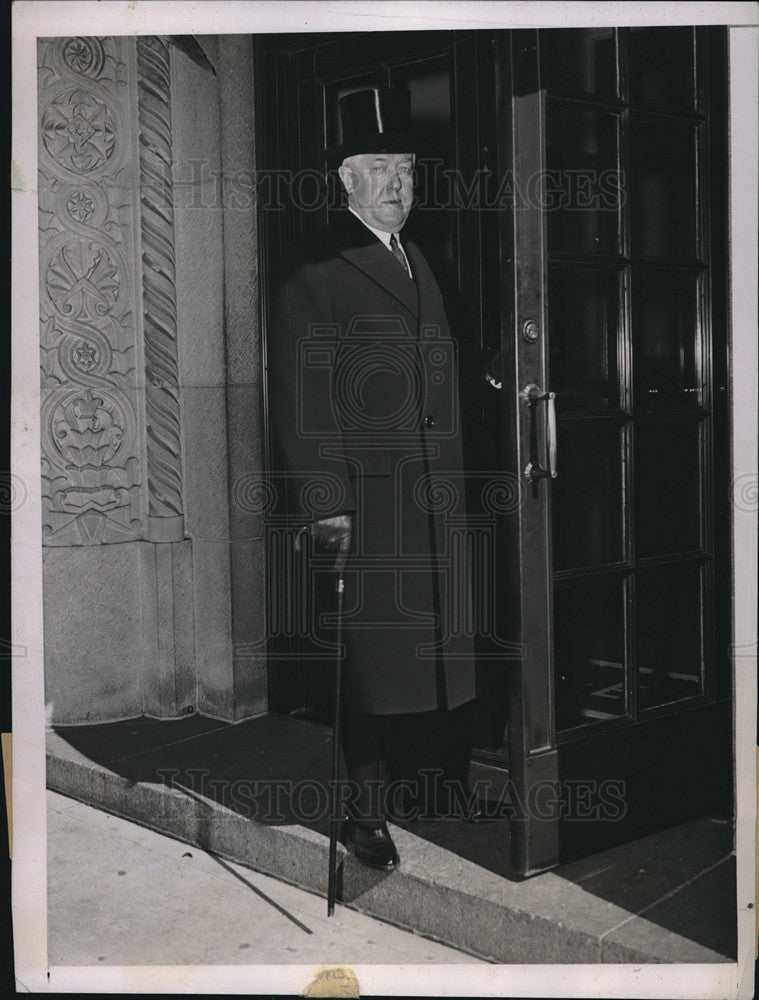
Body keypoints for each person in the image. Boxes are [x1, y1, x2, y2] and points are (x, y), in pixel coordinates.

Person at [267, 88, 479, 871]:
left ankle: (433, 789)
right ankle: (364, 815)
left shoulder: (419, 256)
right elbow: (301, 397)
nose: (399, 183)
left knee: (437, 650)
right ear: (346, 181)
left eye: (407, 169)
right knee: (374, 667)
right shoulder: (314, 267)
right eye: (381, 169)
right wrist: (328, 505)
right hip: (373, 504)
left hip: (435, 497)